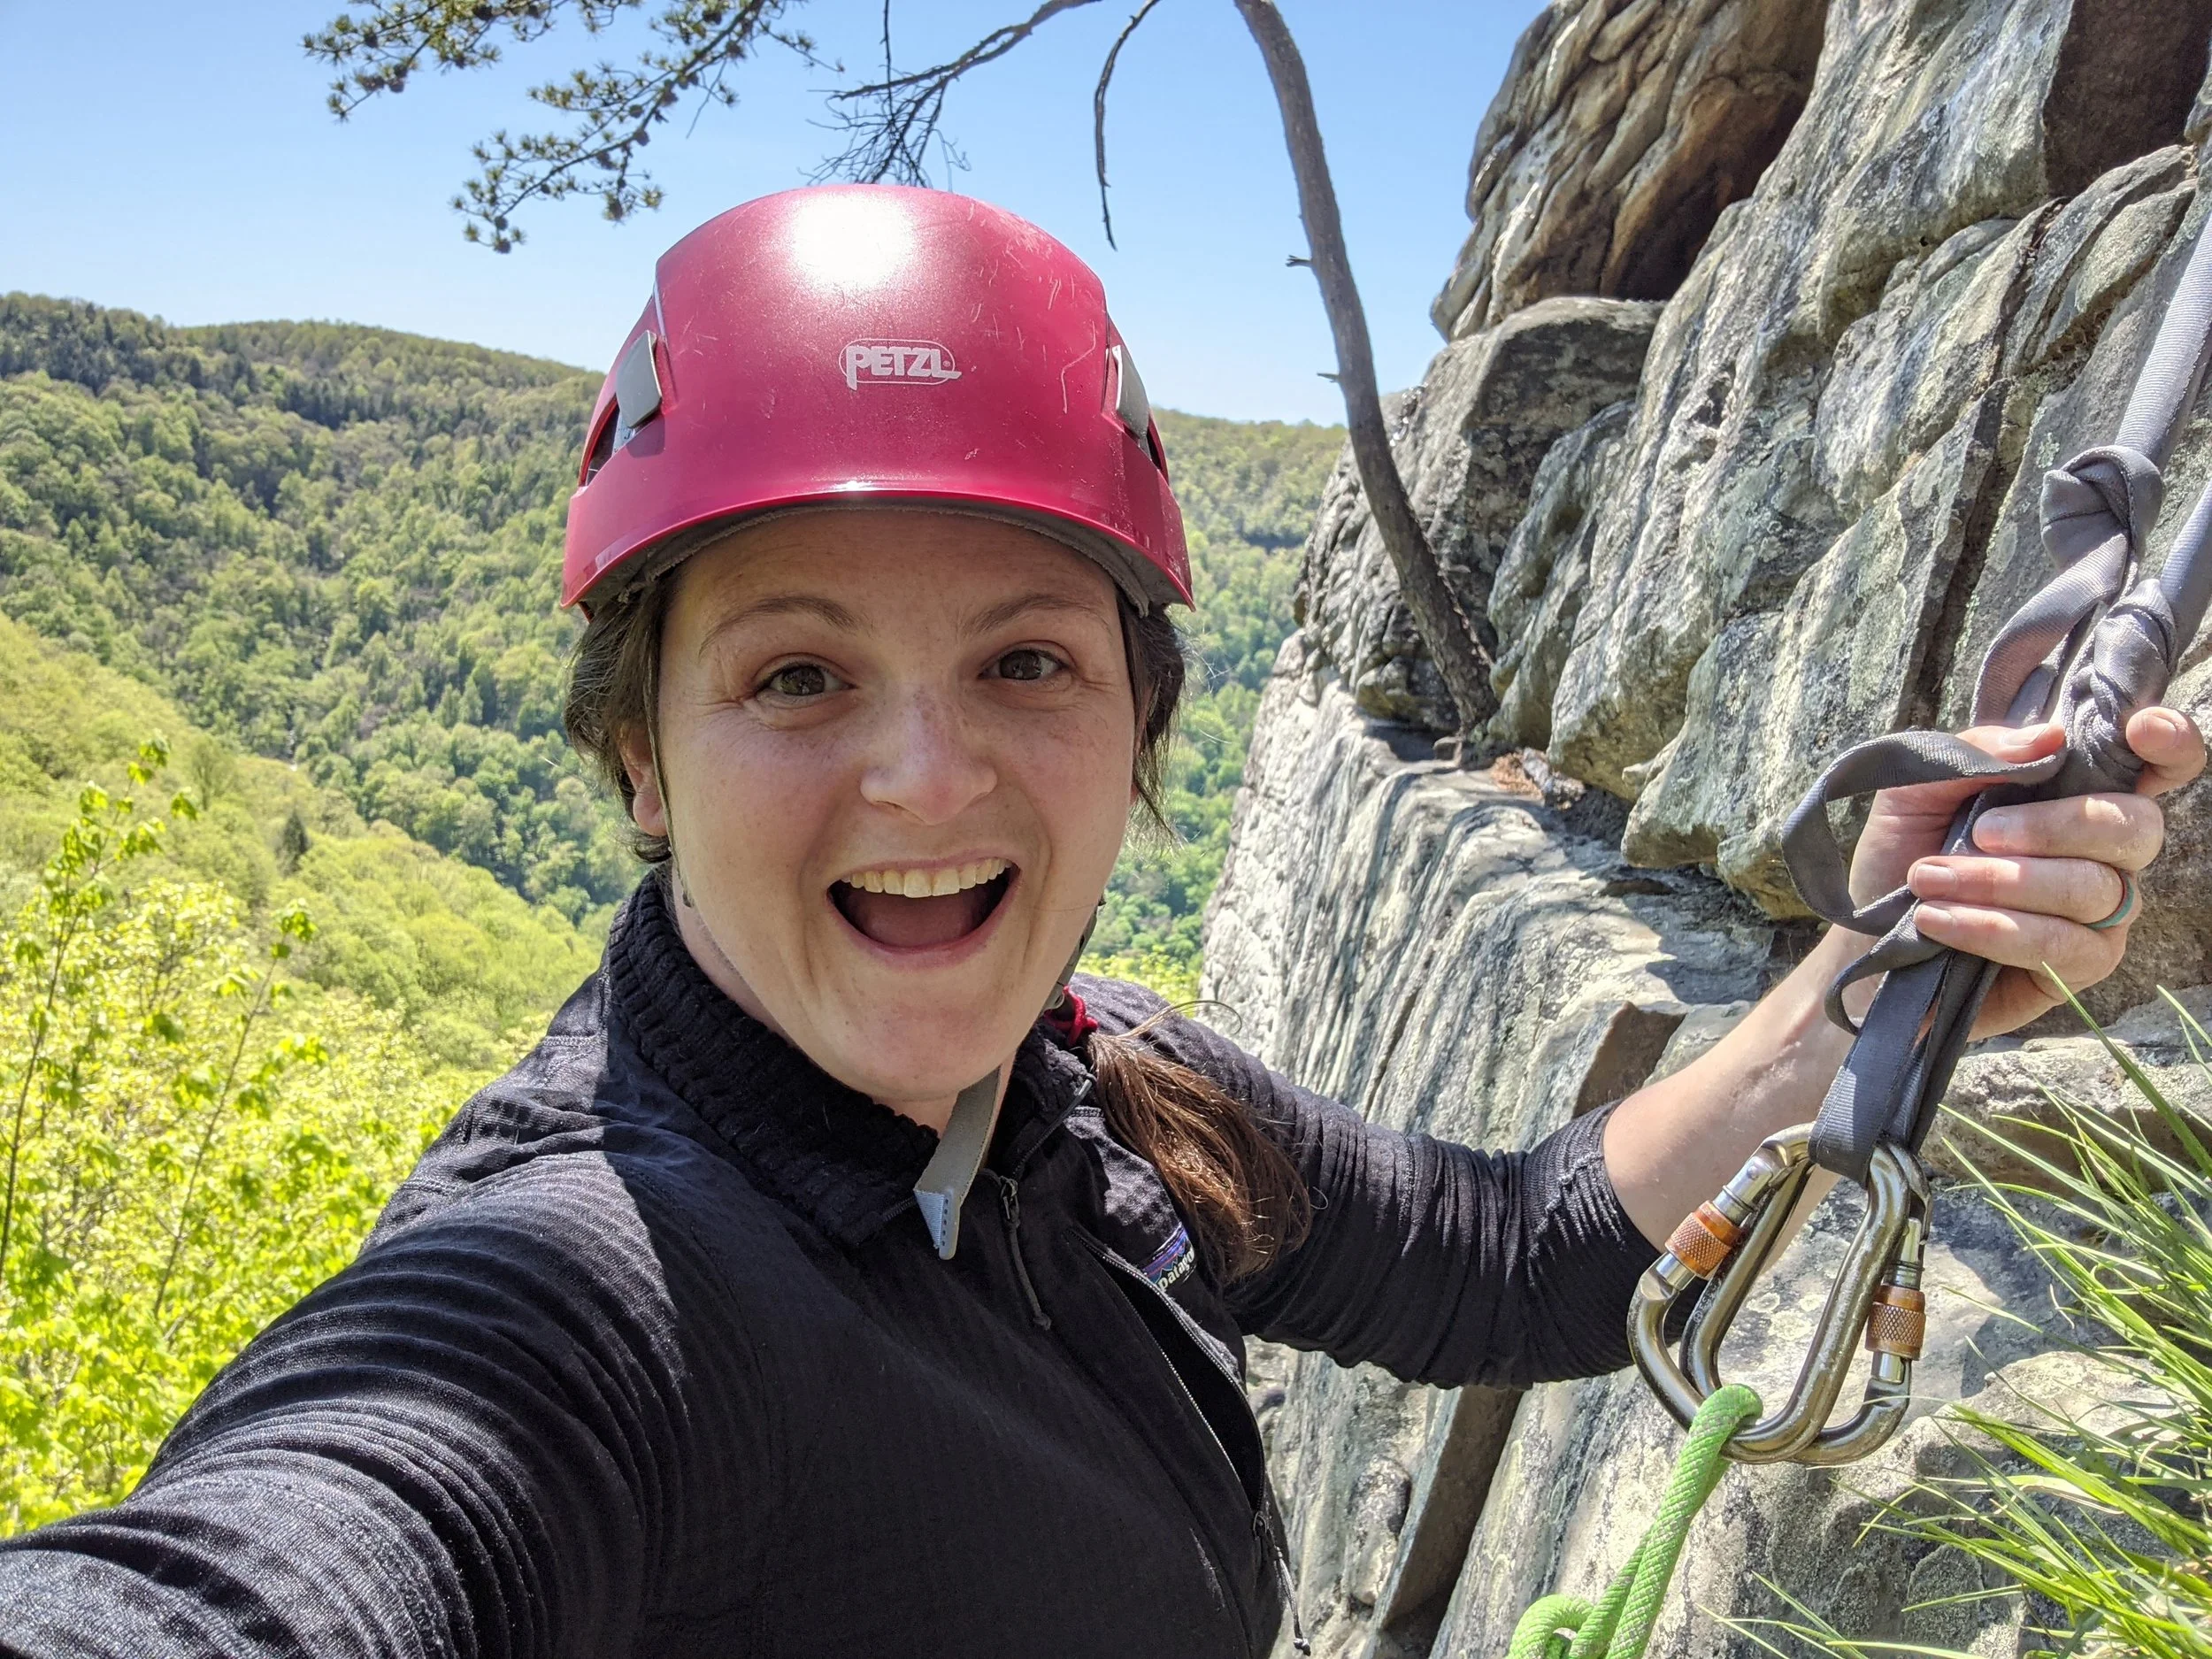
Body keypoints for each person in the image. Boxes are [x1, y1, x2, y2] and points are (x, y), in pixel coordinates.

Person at [0, 185, 2199, 1659]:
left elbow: (1512, 1249)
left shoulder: (1100, 1092)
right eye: (794, 674)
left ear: (1137, 722)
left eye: (1027, 661)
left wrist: (1896, 952)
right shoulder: (589, 1284)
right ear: (638, 757)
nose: (929, 776)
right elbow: (297, 1546)